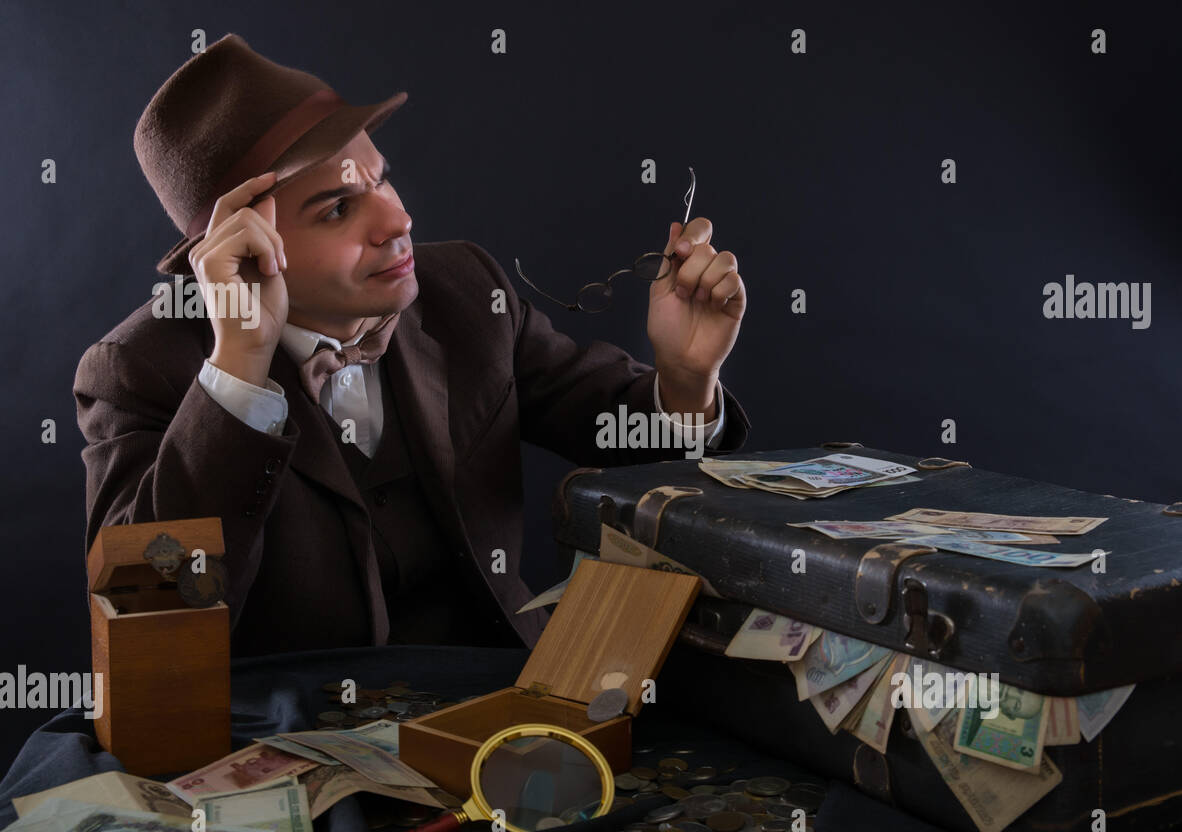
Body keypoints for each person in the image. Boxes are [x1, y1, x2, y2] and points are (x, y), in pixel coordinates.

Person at [74, 34, 751, 655]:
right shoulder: (137, 370)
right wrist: (240, 370)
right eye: (338, 208)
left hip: (499, 700)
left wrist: (687, 379)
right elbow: (148, 620)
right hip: (281, 725)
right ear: (243, 246)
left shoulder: (465, 290)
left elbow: (629, 443)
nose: (398, 221)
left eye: (381, 180)